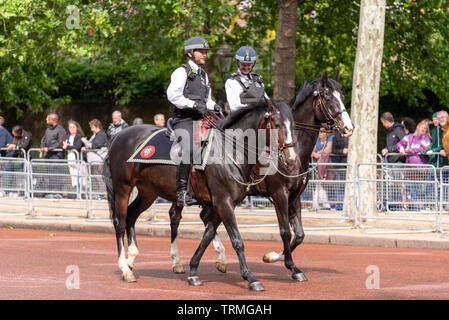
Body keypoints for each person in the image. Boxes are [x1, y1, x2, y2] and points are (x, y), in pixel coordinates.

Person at [167, 36, 221, 205]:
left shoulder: (203, 75)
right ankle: (182, 191)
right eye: (201, 52)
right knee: (190, 148)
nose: (205, 54)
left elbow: (206, 100)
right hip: (184, 118)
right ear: (190, 53)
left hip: (202, 117)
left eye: (205, 52)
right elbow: (173, 95)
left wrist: (215, 106)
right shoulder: (181, 72)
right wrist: (193, 105)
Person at [397, 120, 431, 210]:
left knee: (422, 190)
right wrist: (401, 148)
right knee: (411, 188)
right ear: (417, 127)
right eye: (422, 127)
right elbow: (400, 143)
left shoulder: (426, 139)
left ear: (427, 130)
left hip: (421, 169)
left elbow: (422, 149)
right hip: (409, 168)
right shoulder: (410, 137)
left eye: (425, 128)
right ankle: (415, 208)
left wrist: (408, 150)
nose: (423, 129)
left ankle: (426, 207)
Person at [225, 46, 269, 112]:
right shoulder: (232, 81)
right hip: (244, 118)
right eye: (243, 64)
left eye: (249, 65)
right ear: (238, 62)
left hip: (262, 117)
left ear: (253, 64)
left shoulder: (257, 79)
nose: (246, 67)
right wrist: (255, 111)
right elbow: (235, 107)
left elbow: (267, 100)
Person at [380, 112, 407, 209]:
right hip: (391, 161)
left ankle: (401, 204)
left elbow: (404, 142)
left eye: (382, 122)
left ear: (385, 121)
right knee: (391, 182)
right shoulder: (390, 131)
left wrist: (389, 149)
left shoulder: (398, 130)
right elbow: (393, 144)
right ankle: (392, 203)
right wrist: (386, 148)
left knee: (398, 182)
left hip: (398, 161)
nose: (382, 125)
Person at [311, 128, 334, 209]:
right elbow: (312, 152)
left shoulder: (329, 139)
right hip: (316, 165)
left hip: (325, 166)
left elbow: (328, 150)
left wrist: (320, 153)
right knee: (317, 185)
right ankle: (316, 204)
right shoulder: (317, 140)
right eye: (319, 131)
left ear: (326, 133)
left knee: (323, 185)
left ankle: (325, 204)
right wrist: (315, 154)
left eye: (322, 131)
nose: (320, 133)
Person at [62, 120, 85, 189]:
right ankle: (74, 187)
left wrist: (67, 147)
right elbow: (64, 147)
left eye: (73, 127)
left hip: (78, 158)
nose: (71, 129)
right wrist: (64, 147)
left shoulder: (79, 136)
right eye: (70, 127)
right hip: (70, 157)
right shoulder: (67, 136)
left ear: (77, 128)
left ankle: (82, 189)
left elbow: (76, 147)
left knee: (81, 174)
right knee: (72, 173)